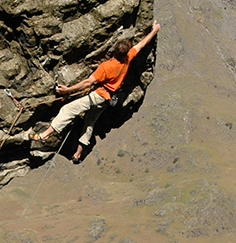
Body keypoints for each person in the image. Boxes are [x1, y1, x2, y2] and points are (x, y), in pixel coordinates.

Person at [31, 20, 160, 163]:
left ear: (114, 51)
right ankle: (78, 154)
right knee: (89, 122)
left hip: (98, 95)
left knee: (68, 110)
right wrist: (154, 31)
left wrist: (68, 90)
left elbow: (87, 82)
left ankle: (44, 136)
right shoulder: (127, 59)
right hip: (107, 99)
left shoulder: (107, 67)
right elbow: (141, 45)